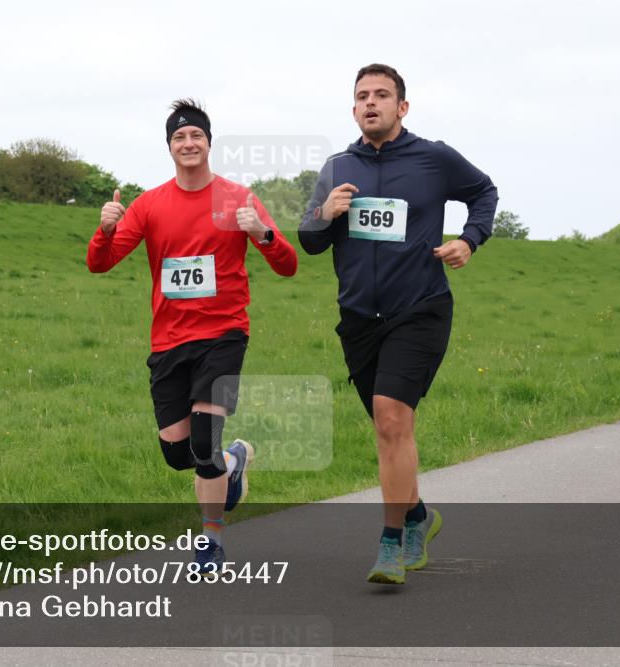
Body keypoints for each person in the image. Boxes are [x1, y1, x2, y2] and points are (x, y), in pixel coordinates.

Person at [299, 64, 498, 584]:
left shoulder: (434, 158)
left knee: (391, 419)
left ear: (402, 108)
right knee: (390, 431)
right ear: (353, 108)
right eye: (362, 96)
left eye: (382, 95)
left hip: (420, 308)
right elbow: (310, 241)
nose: (371, 103)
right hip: (360, 319)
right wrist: (326, 212)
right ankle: (417, 516)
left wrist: (469, 239)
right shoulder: (338, 165)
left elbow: (484, 191)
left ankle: (391, 544)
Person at [86, 99, 298, 574]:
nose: (188, 143)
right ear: (169, 147)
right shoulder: (150, 204)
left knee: (202, 443)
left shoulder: (237, 198)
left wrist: (263, 233)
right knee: (178, 452)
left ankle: (210, 542)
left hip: (223, 334)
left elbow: (288, 265)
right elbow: (99, 263)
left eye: (196, 136)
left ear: (208, 142)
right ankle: (232, 462)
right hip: (168, 341)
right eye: (179, 138)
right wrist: (104, 231)